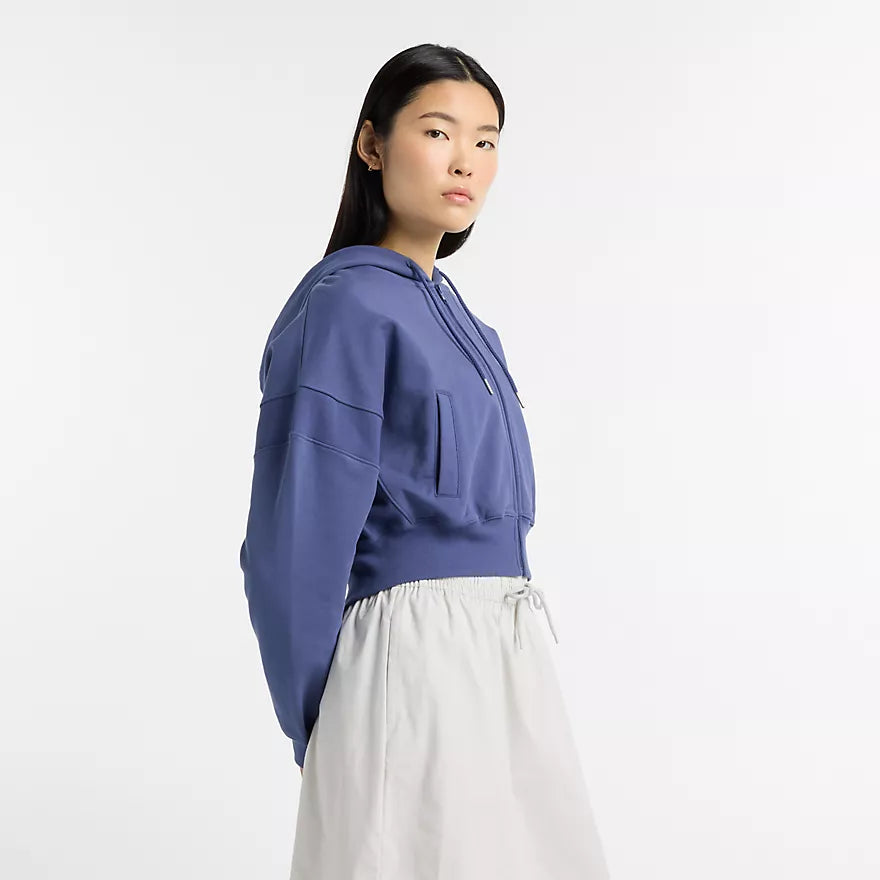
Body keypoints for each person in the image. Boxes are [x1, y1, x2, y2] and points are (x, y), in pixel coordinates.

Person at [239, 43, 611, 880]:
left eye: (486, 140)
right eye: (439, 132)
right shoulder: (346, 305)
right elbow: (294, 545)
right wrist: (323, 719)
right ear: (373, 144)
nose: (465, 161)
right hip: (410, 662)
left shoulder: (470, 326)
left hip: (506, 657)